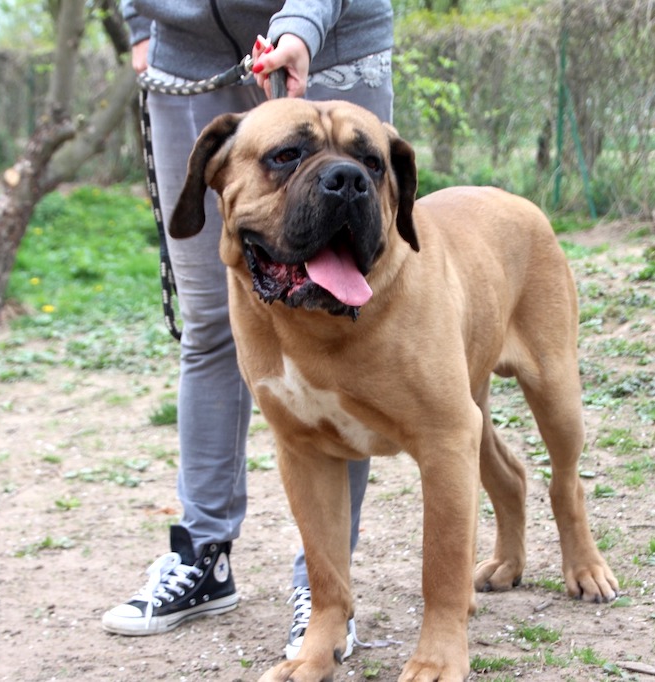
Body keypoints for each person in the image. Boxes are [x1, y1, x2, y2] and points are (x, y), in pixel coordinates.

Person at [102, 0, 394, 661]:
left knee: (339, 319)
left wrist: (303, 26)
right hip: (187, 62)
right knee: (209, 324)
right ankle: (204, 556)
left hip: (331, 42)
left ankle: (325, 591)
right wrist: (145, 27)